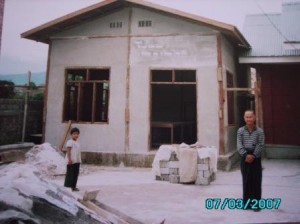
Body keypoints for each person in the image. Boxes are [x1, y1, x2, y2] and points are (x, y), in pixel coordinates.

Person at [237, 110, 265, 211]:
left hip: (255, 158)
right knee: (246, 180)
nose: (249, 119)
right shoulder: (240, 131)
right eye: (247, 117)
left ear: (254, 118)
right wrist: (245, 155)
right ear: (244, 118)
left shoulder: (259, 131)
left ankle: (256, 205)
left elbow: (260, 144)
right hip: (244, 158)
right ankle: (246, 204)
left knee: (256, 181)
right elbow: (239, 144)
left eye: (250, 117)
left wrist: (253, 155)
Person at [64, 127, 81, 191]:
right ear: (71, 134)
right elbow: (68, 151)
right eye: (74, 134)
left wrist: (79, 160)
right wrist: (69, 159)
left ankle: (73, 187)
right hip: (71, 161)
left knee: (75, 174)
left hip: (77, 161)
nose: (76, 135)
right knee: (70, 174)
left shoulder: (78, 143)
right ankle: (67, 187)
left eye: (77, 134)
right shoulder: (70, 142)